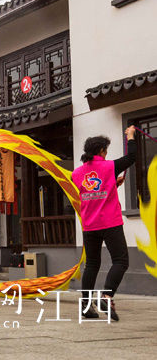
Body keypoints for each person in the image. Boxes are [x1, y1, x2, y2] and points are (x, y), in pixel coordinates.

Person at [73, 126, 137, 321]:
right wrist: (131, 136)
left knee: (91, 264)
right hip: (110, 222)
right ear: (101, 151)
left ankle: (86, 306)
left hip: (89, 225)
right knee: (121, 260)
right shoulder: (109, 166)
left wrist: (112, 184)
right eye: (106, 150)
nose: (107, 153)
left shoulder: (76, 173)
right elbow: (132, 157)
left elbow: (90, 193)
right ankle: (107, 296)